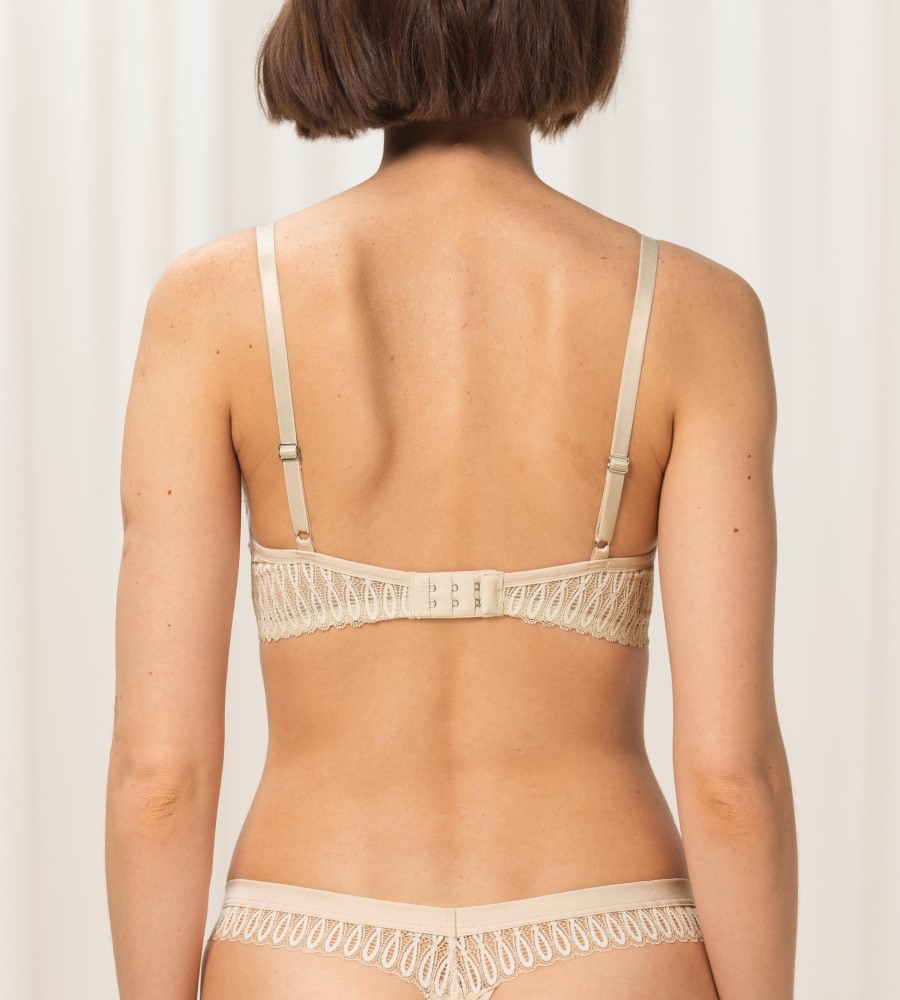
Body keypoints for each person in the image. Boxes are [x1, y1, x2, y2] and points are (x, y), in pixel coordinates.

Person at [106, 2, 798, 998]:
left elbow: (159, 777)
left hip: (309, 943)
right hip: (606, 937)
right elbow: (732, 779)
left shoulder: (212, 307)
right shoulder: (698, 315)